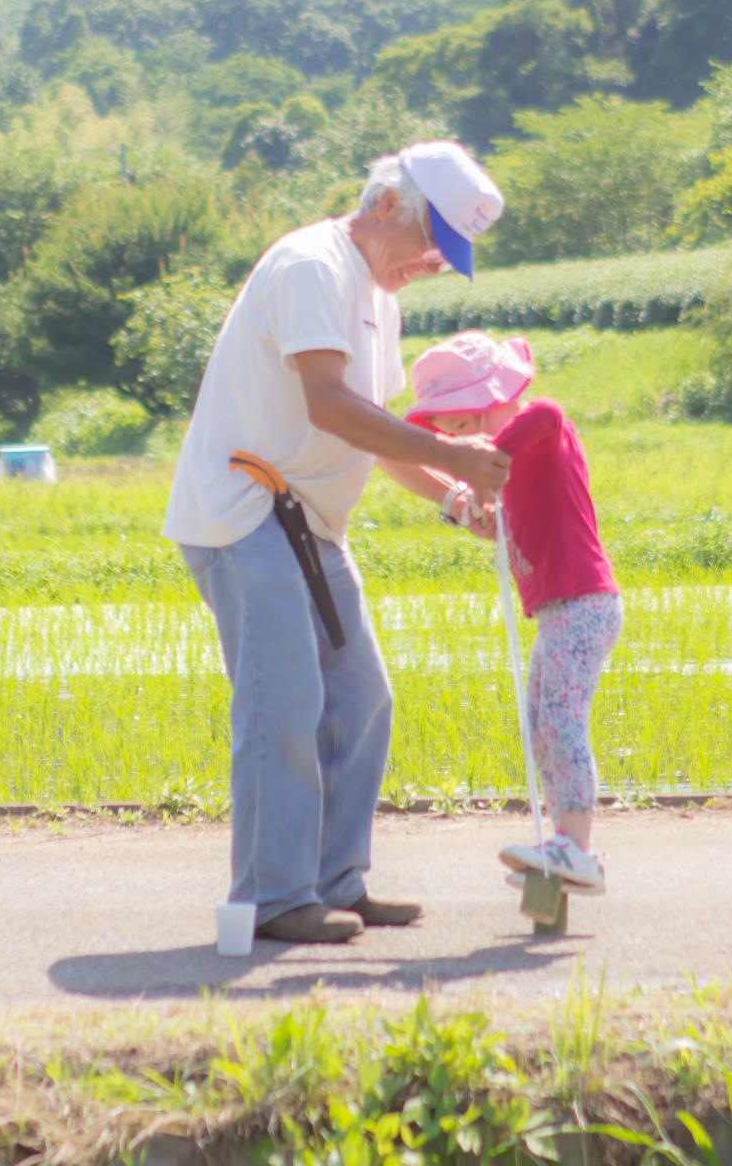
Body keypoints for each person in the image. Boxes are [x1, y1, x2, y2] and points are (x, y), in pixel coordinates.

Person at [164, 142, 508, 946]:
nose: (431, 265)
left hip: (309, 523)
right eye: (431, 243)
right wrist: (453, 456)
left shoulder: (378, 296)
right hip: (245, 511)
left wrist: (452, 496)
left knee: (361, 699)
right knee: (284, 707)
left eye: (446, 257)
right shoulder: (310, 266)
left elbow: (380, 434)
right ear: (386, 204)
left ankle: (333, 882)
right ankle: (273, 897)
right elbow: (328, 405)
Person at [406, 330, 621, 893]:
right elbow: (410, 438)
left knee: (560, 715)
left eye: (468, 424)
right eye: (453, 433)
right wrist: (470, 501)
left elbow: (546, 412)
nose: (465, 443)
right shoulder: (504, 470)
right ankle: (560, 841)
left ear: (495, 401)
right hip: (559, 611)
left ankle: (577, 846)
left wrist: (490, 455)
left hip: (585, 603)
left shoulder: (542, 437)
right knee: (540, 725)